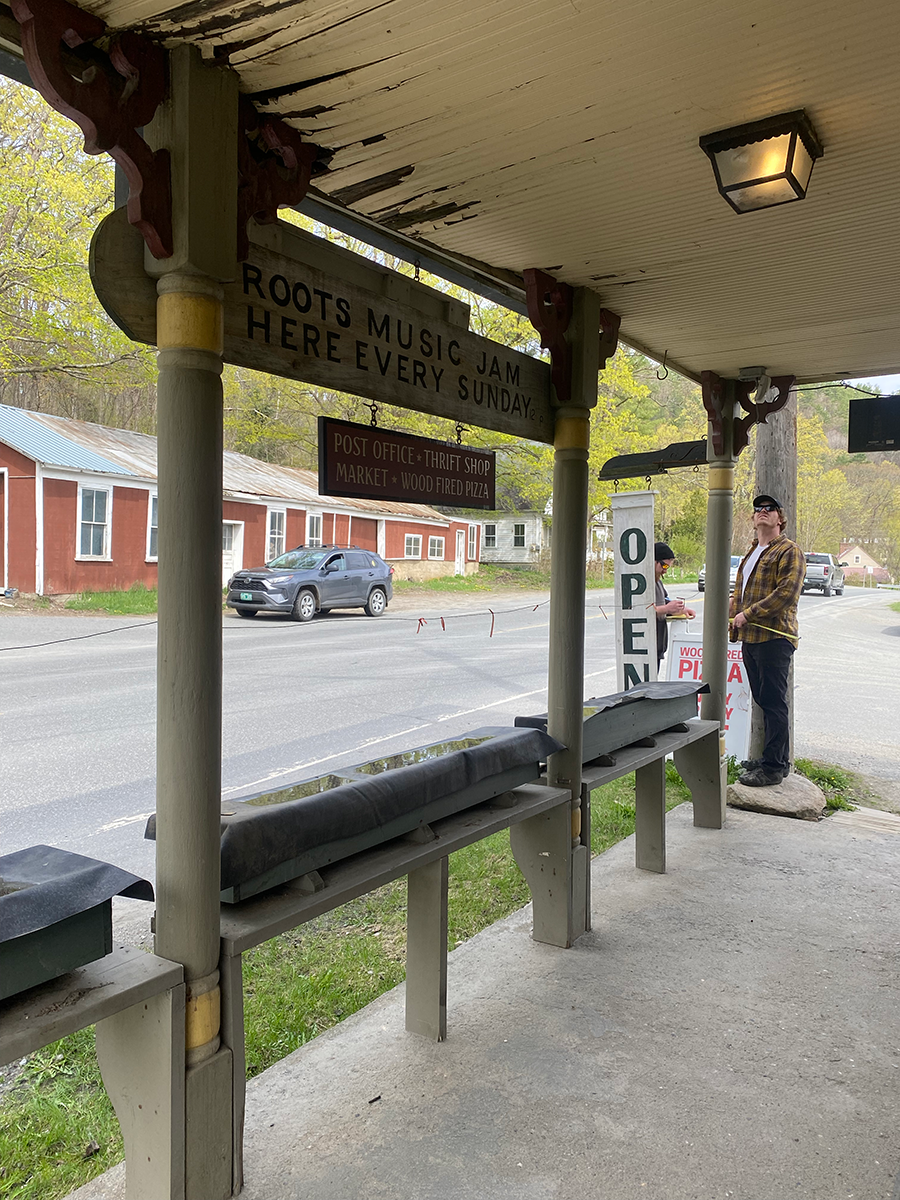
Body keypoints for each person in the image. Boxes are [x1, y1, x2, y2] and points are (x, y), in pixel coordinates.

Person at [729, 495, 805, 787]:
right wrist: (733, 616)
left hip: (776, 637)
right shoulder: (751, 553)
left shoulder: (789, 551)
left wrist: (747, 614)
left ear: (779, 519)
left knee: (774, 702)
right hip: (751, 637)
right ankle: (776, 759)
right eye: (758, 510)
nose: (762, 512)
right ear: (753, 519)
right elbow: (740, 594)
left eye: (769, 509)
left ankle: (772, 768)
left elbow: (786, 595)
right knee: (762, 699)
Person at [653, 542, 696, 671]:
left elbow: (664, 601)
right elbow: (640, 610)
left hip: (658, 646)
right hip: (646, 647)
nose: (665, 570)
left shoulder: (658, 582)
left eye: (668, 567)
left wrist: (679, 610)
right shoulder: (642, 583)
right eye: (664, 565)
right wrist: (666, 609)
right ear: (653, 561)